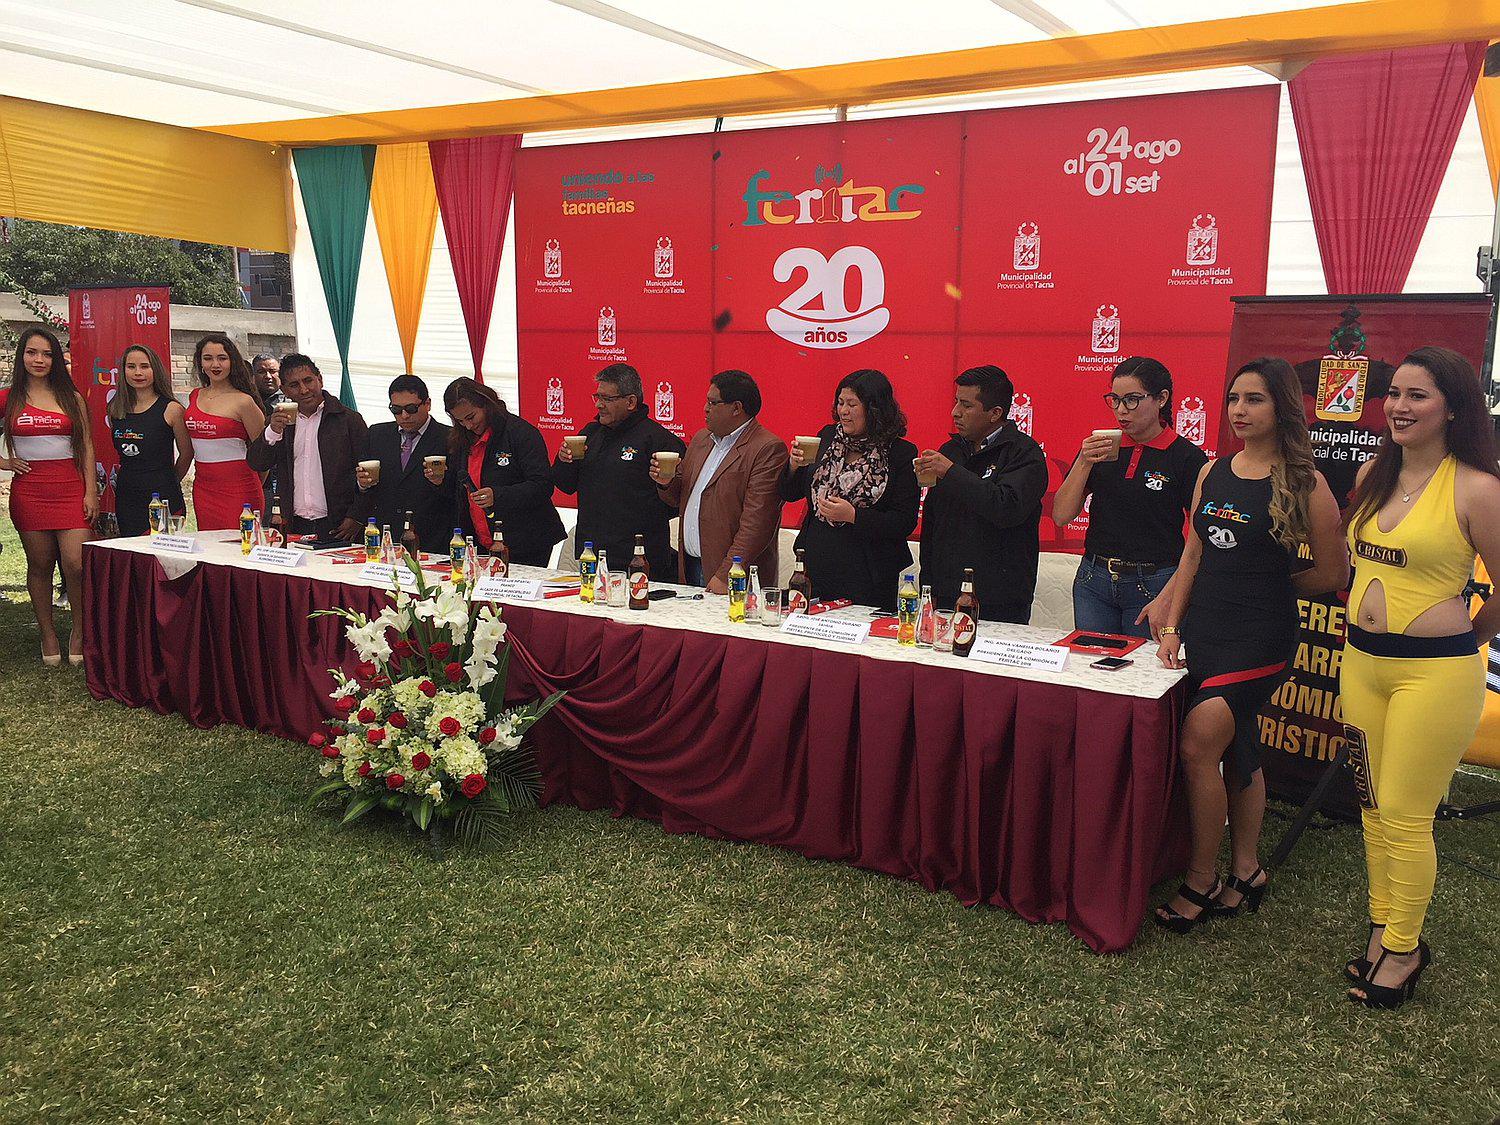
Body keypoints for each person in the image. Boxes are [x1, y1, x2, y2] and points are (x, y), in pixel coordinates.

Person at [1151, 357, 1345, 934]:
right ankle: (1247, 869)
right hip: (1204, 629)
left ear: (1281, 406)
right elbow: (1193, 554)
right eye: (1234, 398)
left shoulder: (1305, 482)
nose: (1240, 410)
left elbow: (1332, 572)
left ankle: (1200, 878)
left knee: (1197, 743)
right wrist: (1170, 626)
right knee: (1240, 749)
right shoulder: (1214, 471)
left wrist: (1269, 585)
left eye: (1254, 399)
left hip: (1260, 637)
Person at [1339, 346, 1500, 1009]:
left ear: (1453, 408)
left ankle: (1404, 948)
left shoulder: (1478, 488)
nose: (1399, 406)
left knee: (1406, 814)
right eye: (1395, 393)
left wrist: (1467, 637)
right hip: (1362, 663)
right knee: (1372, 803)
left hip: (1434, 677)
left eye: (1418, 395)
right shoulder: (1374, 472)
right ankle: (1383, 929)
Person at [1052, 356, 1207, 637]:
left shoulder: (1186, 457)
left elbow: (1199, 541)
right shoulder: (1101, 446)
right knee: (1091, 673)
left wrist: (1169, 595)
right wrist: (1084, 462)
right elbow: (1062, 515)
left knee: (1143, 675)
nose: (1121, 410)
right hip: (1094, 578)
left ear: (1161, 398)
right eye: (1115, 400)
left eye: (1132, 400)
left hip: (1154, 581)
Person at [916, 365, 1048, 623]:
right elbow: (933, 524)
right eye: (956, 402)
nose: (955, 413)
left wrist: (952, 472)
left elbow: (1006, 508)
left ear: (995, 413)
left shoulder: (1024, 453)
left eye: (966, 405)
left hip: (1000, 600)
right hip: (944, 594)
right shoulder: (951, 450)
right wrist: (927, 587)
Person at [779, 369, 919, 610]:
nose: (843, 411)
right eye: (840, 403)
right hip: (817, 563)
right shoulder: (827, 436)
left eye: (852, 404)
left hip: (870, 572)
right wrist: (793, 465)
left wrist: (854, 516)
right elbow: (789, 492)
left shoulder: (900, 453)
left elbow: (903, 521)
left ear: (874, 409)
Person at [0, 328, 97, 665]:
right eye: (32, 352)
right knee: (39, 565)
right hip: (30, 493)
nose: (39, 360)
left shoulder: (72, 398)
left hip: (71, 490)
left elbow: (86, 445)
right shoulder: (8, 398)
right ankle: (48, 633)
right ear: (21, 356)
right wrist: (4, 461)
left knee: (76, 563)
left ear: (56, 358)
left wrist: (91, 492)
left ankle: (80, 632)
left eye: (47, 354)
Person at [650, 370, 787, 592]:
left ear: (736, 408)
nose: (705, 408)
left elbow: (758, 523)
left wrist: (727, 574)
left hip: (732, 575)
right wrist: (666, 482)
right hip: (690, 565)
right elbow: (678, 498)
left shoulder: (767, 448)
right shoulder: (701, 439)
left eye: (713, 403)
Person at [554, 363, 685, 578]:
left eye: (607, 399)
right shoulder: (590, 433)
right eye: (597, 397)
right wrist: (563, 461)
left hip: (640, 558)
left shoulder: (658, 439)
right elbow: (566, 485)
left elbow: (676, 500)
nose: (599, 405)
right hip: (593, 554)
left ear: (631, 401)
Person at [444, 377, 563, 566]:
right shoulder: (461, 438)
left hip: (525, 541)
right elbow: (460, 487)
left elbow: (543, 485)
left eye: (471, 417)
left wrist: (497, 495)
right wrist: (439, 480)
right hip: (479, 540)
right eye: (460, 421)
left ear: (486, 404)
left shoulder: (520, 433)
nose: (468, 425)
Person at [248, 354, 367, 541]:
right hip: (294, 522)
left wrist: (356, 517)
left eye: (308, 381)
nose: (304, 390)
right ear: (284, 390)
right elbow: (257, 463)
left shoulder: (348, 420)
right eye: (294, 385)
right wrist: (271, 431)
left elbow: (368, 473)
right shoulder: (281, 421)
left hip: (338, 523)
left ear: (320, 379)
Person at [355, 374, 454, 553]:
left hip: (432, 539)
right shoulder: (377, 434)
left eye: (411, 408)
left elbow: (460, 493)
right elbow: (363, 487)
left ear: (428, 404)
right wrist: (362, 484)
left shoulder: (450, 438)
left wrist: (442, 482)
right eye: (396, 409)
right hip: (386, 537)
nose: (404, 415)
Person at [108, 344, 191, 536]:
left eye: (145, 366)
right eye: (131, 367)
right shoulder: (115, 408)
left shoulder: (172, 409)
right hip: (128, 496)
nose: (138, 372)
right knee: (134, 558)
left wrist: (170, 481)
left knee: (162, 560)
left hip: (162, 495)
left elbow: (187, 453)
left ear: (155, 369)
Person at [184, 333, 265, 530]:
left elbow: (265, 454)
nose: (215, 365)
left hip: (240, 490)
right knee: (210, 551)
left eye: (222, 358)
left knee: (236, 550)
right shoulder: (195, 395)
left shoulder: (244, 401)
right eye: (208, 358)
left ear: (232, 362)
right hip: (203, 489)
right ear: (200, 363)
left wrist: (253, 484)